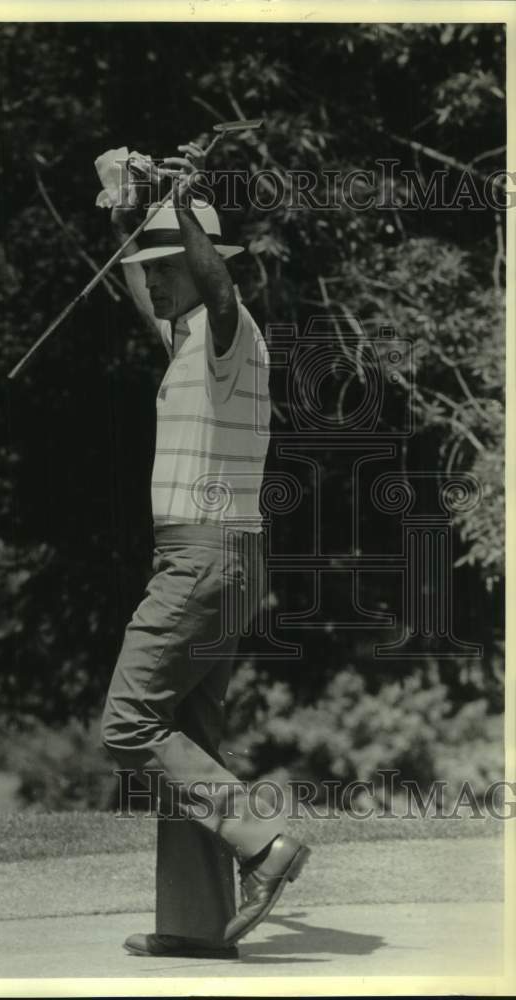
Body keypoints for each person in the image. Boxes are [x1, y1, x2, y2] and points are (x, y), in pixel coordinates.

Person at [100, 143, 310, 959]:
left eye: (165, 262)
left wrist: (181, 206)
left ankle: (261, 840)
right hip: (218, 559)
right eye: (150, 263)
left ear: (196, 263)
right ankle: (195, 928)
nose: (154, 275)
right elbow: (135, 286)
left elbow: (220, 284)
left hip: (204, 556)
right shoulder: (186, 339)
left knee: (127, 724)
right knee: (190, 732)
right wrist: (129, 219)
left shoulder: (229, 331)